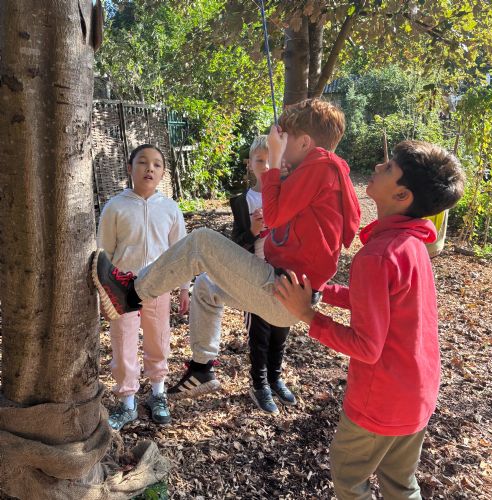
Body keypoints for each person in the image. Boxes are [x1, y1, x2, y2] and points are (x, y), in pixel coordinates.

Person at [92, 98, 360, 402]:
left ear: (305, 143)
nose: (280, 145)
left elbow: (273, 215)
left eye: (284, 139)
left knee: (202, 242)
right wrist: (283, 175)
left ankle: (129, 294)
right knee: (207, 287)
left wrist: (274, 162)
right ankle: (202, 367)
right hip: (287, 292)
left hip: (282, 291)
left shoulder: (321, 167)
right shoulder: (325, 172)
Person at [273, 140, 465, 499]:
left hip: (380, 402)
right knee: (401, 484)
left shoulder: (377, 256)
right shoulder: (412, 245)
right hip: (417, 394)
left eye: (389, 167)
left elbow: (366, 347)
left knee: (349, 478)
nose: (378, 167)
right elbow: (379, 303)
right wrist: (324, 291)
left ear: (402, 195)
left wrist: (306, 314)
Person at [97, 144, 190, 431]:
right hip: (122, 288)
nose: (150, 168)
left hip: (158, 285)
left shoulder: (170, 208)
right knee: (123, 341)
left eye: (157, 164)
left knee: (158, 339)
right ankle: (127, 403)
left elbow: (181, 252)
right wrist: (104, 290)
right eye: (142, 162)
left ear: (163, 173)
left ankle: (158, 393)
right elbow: (104, 252)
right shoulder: (115, 206)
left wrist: (184, 287)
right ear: (129, 168)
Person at [230, 135, 296, 415]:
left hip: (283, 273)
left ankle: (275, 378)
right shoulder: (242, 201)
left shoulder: (288, 194)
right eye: (260, 160)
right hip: (254, 273)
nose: (266, 165)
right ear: (250, 164)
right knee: (260, 335)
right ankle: (259, 384)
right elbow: (235, 246)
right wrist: (253, 231)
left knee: (280, 329)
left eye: (271, 160)